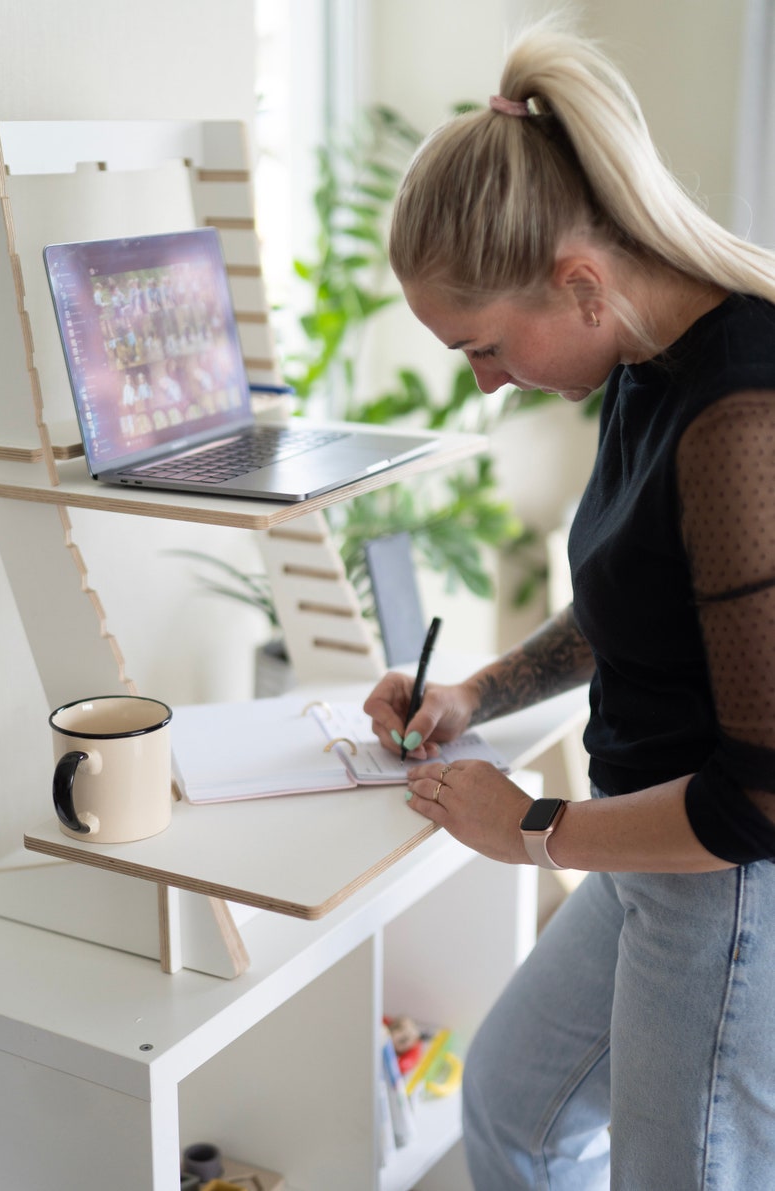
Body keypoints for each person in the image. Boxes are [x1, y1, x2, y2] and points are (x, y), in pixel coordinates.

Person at [362, 19, 775, 1190]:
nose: (485, 382)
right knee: (513, 1112)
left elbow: (758, 802)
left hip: (725, 878)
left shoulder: (741, 408)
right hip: (651, 849)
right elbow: (629, 605)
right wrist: (470, 694)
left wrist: (530, 830)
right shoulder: (641, 362)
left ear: (578, 283)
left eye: (484, 348)